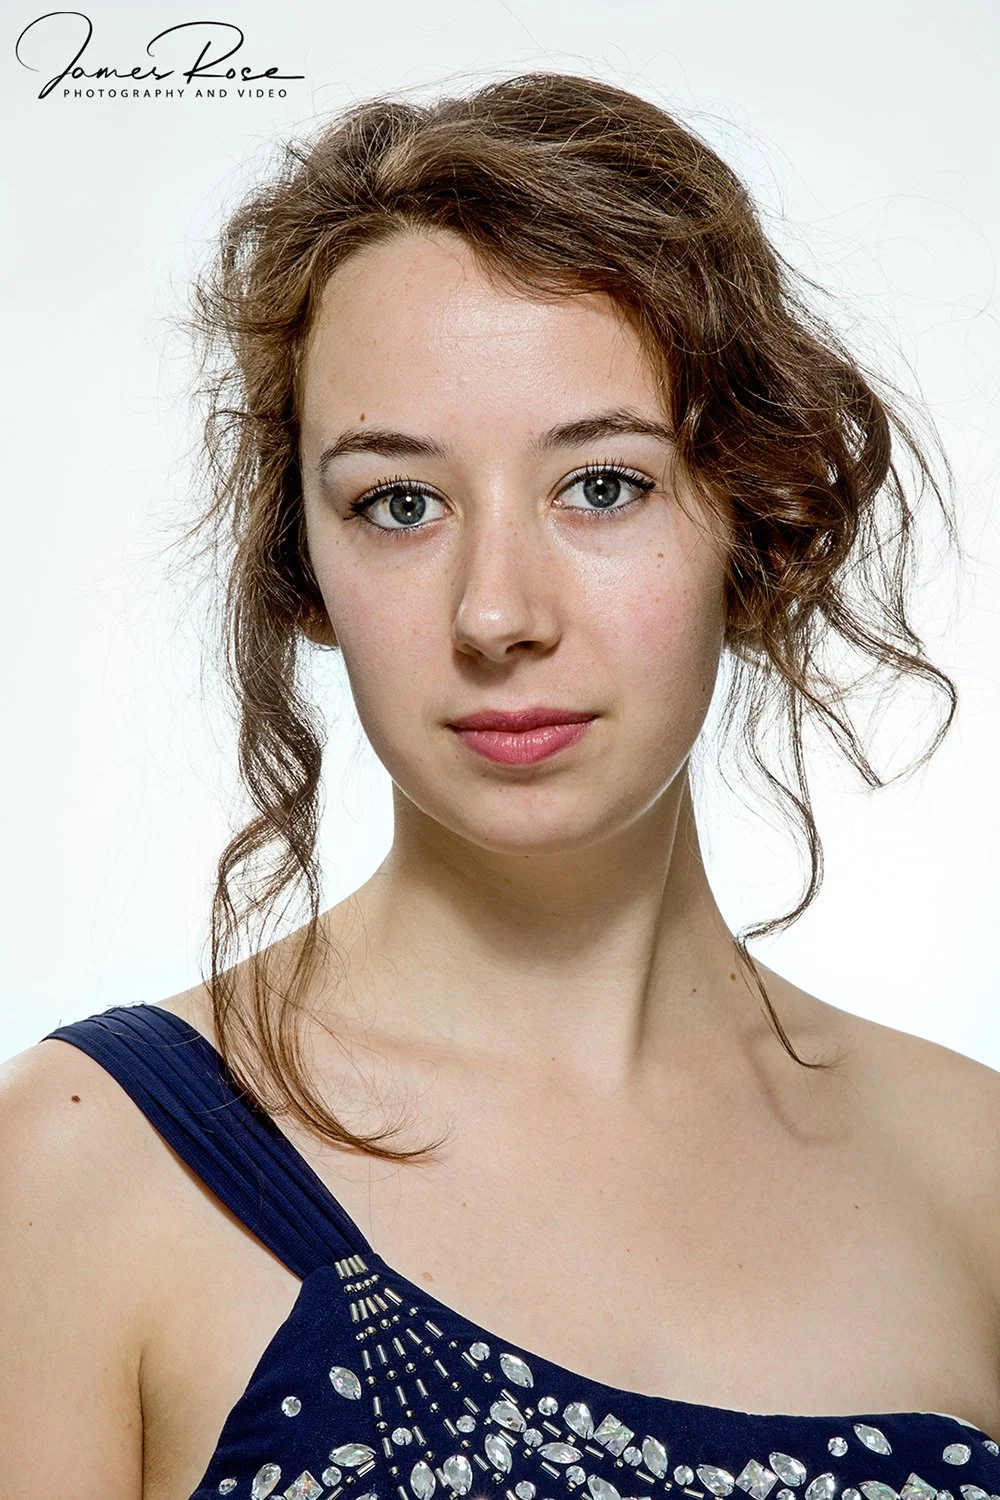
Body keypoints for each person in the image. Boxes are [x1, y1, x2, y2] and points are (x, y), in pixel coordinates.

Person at [1, 70, 997, 1500]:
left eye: (602, 485)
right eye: (400, 504)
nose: (496, 612)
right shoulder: (85, 1171)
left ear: (755, 517)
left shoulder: (975, 1174)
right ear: (307, 570)